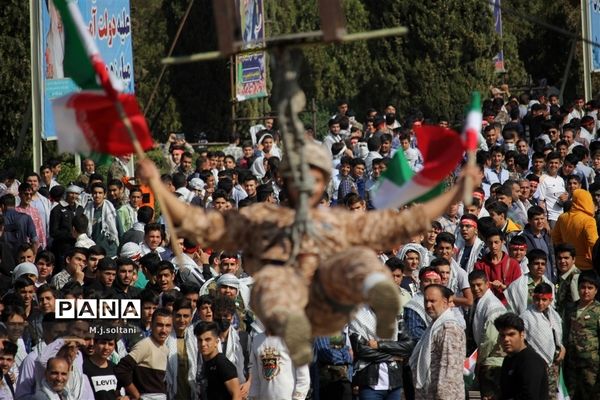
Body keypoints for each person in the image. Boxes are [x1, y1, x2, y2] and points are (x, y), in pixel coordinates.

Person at [136, 142, 483, 364]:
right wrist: (158, 188)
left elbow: (409, 222)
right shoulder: (263, 218)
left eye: (315, 178)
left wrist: (454, 194)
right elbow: (202, 225)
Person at [409, 284, 465, 400]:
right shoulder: (434, 326)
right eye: (426, 301)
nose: (428, 305)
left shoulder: (449, 328)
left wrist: (444, 397)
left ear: (445, 302)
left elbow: (450, 370)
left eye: (433, 301)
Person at [115, 308, 172, 400]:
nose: (164, 330)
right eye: (160, 325)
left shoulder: (165, 349)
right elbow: (121, 369)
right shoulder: (145, 345)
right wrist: (135, 395)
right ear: (152, 325)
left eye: (168, 325)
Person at [520, 283, 564, 400]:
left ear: (550, 300)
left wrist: (562, 348)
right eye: (537, 299)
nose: (540, 303)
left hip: (553, 363)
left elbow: (557, 336)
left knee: (551, 393)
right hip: (535, 362)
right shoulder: (527, 316)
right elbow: (523, 340)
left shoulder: (554, 315)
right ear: (533, 298)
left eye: (544, 300)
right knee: (536, 392)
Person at [468, 270, 506, 400]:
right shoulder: (481, 302)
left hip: (493, 361)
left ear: (487, 284)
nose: (476, 288)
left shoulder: (492, 305)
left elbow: (490, 338)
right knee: (476, 395)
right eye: (472, 285)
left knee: (488, 396)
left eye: (479, 285)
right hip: (486, 359)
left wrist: (479, 360)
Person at [563, 270, 600, 399]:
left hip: (592, 367)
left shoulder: (598, 310)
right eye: (583, 287)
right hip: (572, 365)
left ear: (596, 290)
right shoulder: (570, 309)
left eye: (590, 288)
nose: (586, 291)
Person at [495, 312, 549, 400]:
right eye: (502, 335)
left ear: (522, 334)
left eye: (511, 334)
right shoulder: (508, 359)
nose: (506, 339)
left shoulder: (531, 361)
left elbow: (529, 396)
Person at [552, 188, 599, 270]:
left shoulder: (562, 217)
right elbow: (593, 244)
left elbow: (555, 238)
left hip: (568, 264)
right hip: (586, 265)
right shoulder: (589, 220)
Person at [195, 321, 242, 400]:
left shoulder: (222, 363)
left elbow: (237, 395)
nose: (203, 344)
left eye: (207, 339)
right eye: (200, 340)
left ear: (216, 342)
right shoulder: (206, 363)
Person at [474, 229, 522, 305]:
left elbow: (519, 290)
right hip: (487, 305)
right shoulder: (479, 265)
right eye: (490, 243)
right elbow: (477, 289)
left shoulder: (513, 264)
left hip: (508, 306)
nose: (493, 246)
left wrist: (504, 287)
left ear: (502, 242)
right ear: (486, 243)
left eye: (496, 242)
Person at [505, 249, 554, 315]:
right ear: (528, 266)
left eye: (543, 264)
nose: (540, 267)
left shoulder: (550, 285)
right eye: (536, 263)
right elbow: (511, 311)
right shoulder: (516, 285)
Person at [554, 243, 581, 316]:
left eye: (566, 258)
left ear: (573, 259)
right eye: (559, 258)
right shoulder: (561, 276)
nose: (562, 261)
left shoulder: (575, 277)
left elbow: (578, 305)